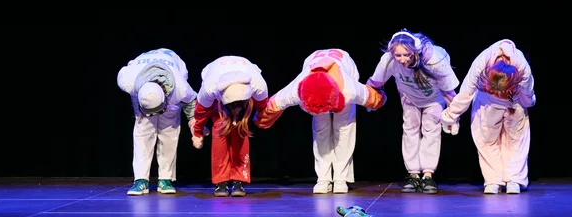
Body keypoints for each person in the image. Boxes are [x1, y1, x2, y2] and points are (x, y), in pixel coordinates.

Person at [254, 48, 387, 194]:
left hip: (343, 71)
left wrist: (382, 98)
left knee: (344, 128)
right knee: (320, 130)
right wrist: (259, 121)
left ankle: (340, 178)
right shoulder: (295, 91)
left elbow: (372, 98)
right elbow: (273, 105)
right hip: (315, 85)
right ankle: (323, 178)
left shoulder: (349, 89)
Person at [366, 29, 460, 194]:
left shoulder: (435, 60)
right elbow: (375, 81)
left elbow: (450, 93)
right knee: (410, 129)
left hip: (434, 99)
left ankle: (428, 175)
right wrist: (369, 99)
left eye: (407, 55)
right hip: (409, 97)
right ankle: (413, 174)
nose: (403, 60)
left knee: (431, 130)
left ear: (415, 51)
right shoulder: (388, 60)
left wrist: (454, 117)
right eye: (398, 55)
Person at [441, 39, 535, 194]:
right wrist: (450, 116)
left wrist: (527, 102)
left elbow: (527, 96)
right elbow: (466, 93)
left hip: (514, 101)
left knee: (516, 140)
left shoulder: (522, 68)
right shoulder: (482, 63)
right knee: (486, 140)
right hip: (487, 101)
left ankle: (514, 180)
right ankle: (493, 180)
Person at [117, 48, 198, 196]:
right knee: (143, 130)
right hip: (142, 83)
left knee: (169, 132)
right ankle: (140, 179)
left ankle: (165, 179)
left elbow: (192, 101)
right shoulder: (128, 81)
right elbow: (124, 69)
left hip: (172, 75)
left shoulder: (179, 87)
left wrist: (194, 124)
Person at [189, 55, 269, 197]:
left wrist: (261, 120)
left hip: (244, 84)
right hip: (217, 83)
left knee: (240, 129)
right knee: (220, 127)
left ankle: (239, 180)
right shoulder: (210, 89)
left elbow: (263, 107)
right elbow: (200, 113)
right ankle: (221, 181)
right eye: (233, 108)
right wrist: (197, 133)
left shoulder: (258, 86)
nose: (236, 112)